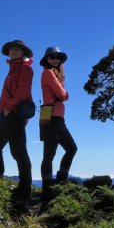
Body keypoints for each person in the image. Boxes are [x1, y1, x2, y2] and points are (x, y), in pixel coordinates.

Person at [0, 39, 34, 203]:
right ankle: (24, 189)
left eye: (17, 49)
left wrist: (6, 108)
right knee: (18, 152)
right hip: (10, 113)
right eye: (12, 49)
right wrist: (1, 107)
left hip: (13, 114)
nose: (13, 51)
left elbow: (23, 92)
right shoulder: (11, 70)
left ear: (23, 53)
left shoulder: (26, 70)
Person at [39, 45, 77, 202]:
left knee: (49, 155)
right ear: (47, 59)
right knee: (71, 148)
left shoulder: (55, 74)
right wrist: (65, 92)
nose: (55, 59)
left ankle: (48, 191)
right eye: (52, 57)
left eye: (58, 57)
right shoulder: (48, 73)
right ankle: (60, 184)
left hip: (50, 117)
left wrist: (61, 85)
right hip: (54, 117)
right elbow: (62, 95)